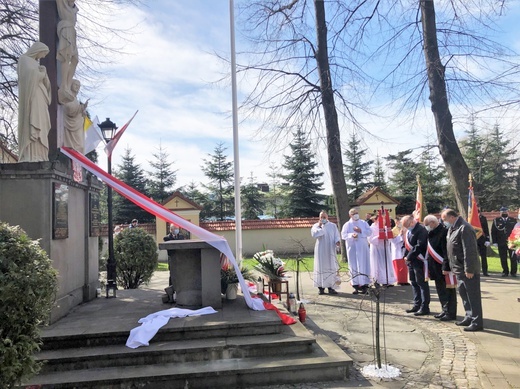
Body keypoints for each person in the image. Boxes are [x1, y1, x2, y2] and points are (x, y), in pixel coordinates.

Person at [441, 208, 484, 331]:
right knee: (464, 295)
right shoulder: (452, 228)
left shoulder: (464, 228)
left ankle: (477, 322)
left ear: (452, 217)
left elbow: (469, 250)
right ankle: (469, 316)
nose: (444, 222)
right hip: (458, 269)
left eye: (444, 219)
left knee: (473, 296)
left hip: (467, 270)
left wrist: (469, 269)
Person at [17, 42, 51, 162]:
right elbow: (27, 77)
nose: (43, 57)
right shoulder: (24, 59)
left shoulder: (36, 63)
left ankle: (40, 154)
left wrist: (44, 75)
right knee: (34, 118)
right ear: (38, 50)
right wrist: (41, 74)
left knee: (42, 121)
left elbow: (46, 85)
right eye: (43, 53)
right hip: (32, 96)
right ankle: (31, 155)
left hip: (41, 95)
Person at [423, 215, 457, 321]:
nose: (427, 227)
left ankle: (450, 312)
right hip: (435, 268)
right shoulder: (431, 233)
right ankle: (444, 309)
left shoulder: (443, 232)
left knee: (448, 291)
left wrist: (446, 267)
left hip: (443, 267)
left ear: (433, 223)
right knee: (440, 290)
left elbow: (446, 252)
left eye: (427, 225)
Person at [401, 214, 430, 316]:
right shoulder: (409, 230)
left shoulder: (421, 229)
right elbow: (406, 245)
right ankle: (416, 304)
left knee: (421, 283)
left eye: (407, 225)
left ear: (412, 222)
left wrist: (409, 257)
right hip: (411, 261)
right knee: (414, 283)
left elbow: (419, 245)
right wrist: (405, 256)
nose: (406, 228)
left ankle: (424, 307)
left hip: (419, 260)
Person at [341, 208, 371, 295]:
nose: (356, 214)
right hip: (353, 249)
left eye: (357, 213)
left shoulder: (363, 223)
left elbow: (369, 232)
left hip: (363, 248)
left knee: (364, 264)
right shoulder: (347, 224)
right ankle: (355, 285)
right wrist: (351, 235)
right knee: (354, 265)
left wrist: (361, 231)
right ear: (350, 215)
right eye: (354, 213)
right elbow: (343, 235)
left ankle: (365, 285)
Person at [311, 211, 341, 295]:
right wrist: (320, 227)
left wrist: (337, 241)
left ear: (327, 217)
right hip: (320, 250)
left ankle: (331, 287)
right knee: (320, 267)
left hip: (330, 249)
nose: (323, 219)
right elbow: (314, 235)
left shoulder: (333, 226)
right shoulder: (316, 226)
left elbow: (336, 236)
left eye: (324, 217)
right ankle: (321, 288)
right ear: (319, 218)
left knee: (331, 267)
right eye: (321, 217)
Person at [368, 214, 398, 286]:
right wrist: (379, 236)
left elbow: (390, 237)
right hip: (376, 248)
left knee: (386, 264)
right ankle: (377, 280)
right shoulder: (371, 228)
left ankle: (387, 280)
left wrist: (388, 237)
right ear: (375, 219)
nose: (383, 221)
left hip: (384, 248)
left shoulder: (385, 228)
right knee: (377, 264)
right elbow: (370, 240)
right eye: (380, 219)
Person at [57, 0, 79, 93]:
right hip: (65, 30)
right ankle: (64, 85)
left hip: (72, 32)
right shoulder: (62, 4)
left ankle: (68, 84)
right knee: (66, 56)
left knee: (75, 60)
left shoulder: (73, 9)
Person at [61, 79, 88, 153]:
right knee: (77, 146)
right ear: (71, 85)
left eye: (79, 86)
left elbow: (76, 111)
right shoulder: (68, 97)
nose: (77, 87)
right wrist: (81, 108)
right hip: (70, 124)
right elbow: (69, 110)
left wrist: (83, 112)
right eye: (76, 85)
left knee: (80, 146)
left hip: (78, 124)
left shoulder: (75, 99)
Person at [491, 206, 517, 277]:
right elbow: (493, 232)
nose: (504, 213)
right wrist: (495, 242)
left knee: (513, 257)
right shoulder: (496, 220)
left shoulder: (513, 220)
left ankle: (513, 272)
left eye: (505, 212)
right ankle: (505, 271)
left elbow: (517, 231)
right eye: (503, 212)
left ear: (508, 212)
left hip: (512, 242)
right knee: (503, 257)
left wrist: (516, 241)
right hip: (501, 242)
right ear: (500, 213)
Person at [477, 209, 491, 276]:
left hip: (482, 239)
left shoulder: (483, 218)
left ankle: (485, 271)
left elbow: (486, 229)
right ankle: (475, 271)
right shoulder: (469, 218)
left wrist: (487, 239)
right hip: (473, 240)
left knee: (483, 257)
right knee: (474, 257)